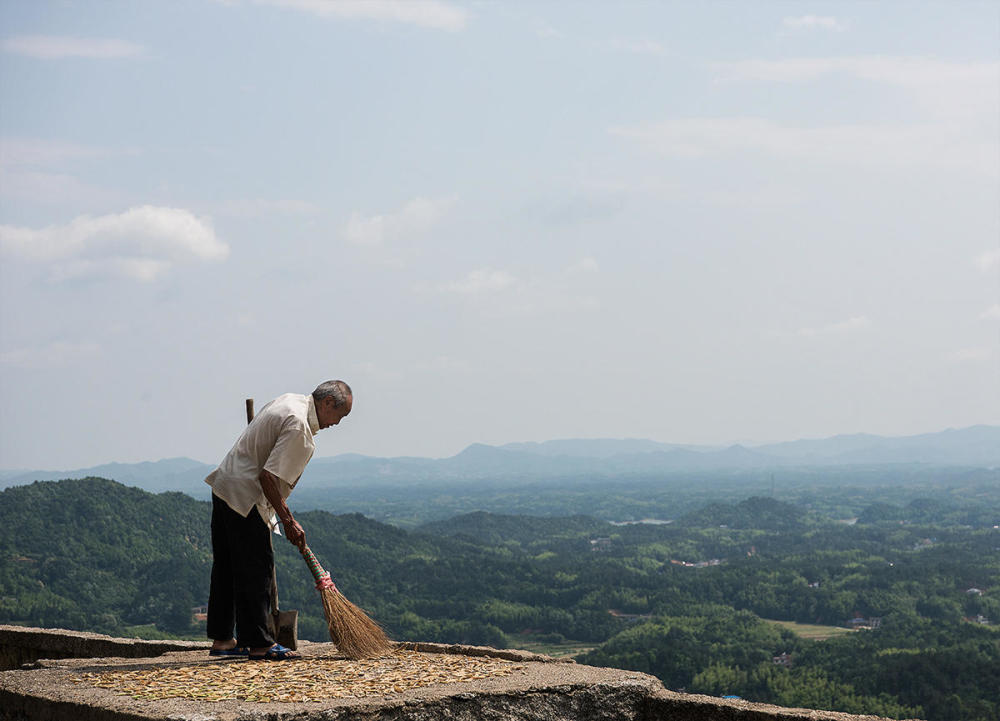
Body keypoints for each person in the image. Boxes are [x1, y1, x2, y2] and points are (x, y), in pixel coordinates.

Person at [204, 380, 353, 660]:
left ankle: (223, 639)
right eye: (340, 415)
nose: (338, 423)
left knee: (226, 567)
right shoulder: (299, 426)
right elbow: (268, 477)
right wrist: (288, 520)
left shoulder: (289, 400)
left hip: (225, 485)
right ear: (328, 403)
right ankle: (259, 643)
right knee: (255, 568)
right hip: (246, 496)